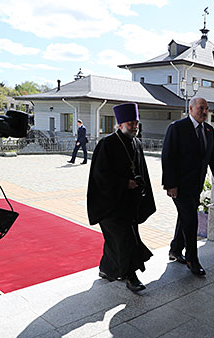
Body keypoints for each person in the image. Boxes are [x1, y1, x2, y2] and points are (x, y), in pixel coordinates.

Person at [87, 103, 156, 292]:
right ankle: (130, 276)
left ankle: (107, 269)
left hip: (129, 204)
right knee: (125, 240)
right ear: (120, 124)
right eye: (131, 123)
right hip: (109, 204)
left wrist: (142, 189)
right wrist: (124, 183)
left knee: (115, 240)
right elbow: (100, 175)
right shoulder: (107, 144)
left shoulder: (136, 143)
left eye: (136, 123)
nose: (135, 126)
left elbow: (141, 170)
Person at [161, 97, 214, 276]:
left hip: (196, 185)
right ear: (191, 108)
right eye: (201, 108)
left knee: (185, 216)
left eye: (206, 109)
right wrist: (171, 185)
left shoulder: (208, 130)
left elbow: (213, 156)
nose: (204, 112)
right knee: (191, 220)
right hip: (180, 186)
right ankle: (192, 259)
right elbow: (168, 157)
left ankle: (175, 249)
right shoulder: (177, 128)